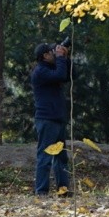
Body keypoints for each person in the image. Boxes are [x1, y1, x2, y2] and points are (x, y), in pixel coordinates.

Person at [31, 40, 71, 196]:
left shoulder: (51, 68)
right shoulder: (40, 71)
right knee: (45, 157)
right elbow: (60, 75)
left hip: (57, 118)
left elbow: (68, 75)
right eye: (52, 52)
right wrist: (61, 58)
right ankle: (41, 191)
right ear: (45, 55)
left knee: (61, 157)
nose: (55, 54)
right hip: (47, 119)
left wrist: (66, 58)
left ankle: (63, 190)